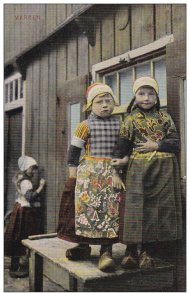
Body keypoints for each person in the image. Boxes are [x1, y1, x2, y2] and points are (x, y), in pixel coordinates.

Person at [111, 76, 182, 269]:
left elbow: (175, 143)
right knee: (135, 208)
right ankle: (131, 251)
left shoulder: (165, 117)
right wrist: (118, 165)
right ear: (135, 96)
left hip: (164, 170)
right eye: (141, 93)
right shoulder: (130, 119)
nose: (146, 98)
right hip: (138, 170)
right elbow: (123, 145)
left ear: (157, 97)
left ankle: (147, 253)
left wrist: (156, 144)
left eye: (151, 93)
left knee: (156, 211)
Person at [58, 83, 123, 272]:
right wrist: (73, 178)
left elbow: (124, 148)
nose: (104, 105)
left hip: (112, 173)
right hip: (88, 175)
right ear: (90, 105)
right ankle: (83, 246)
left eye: (108, 101)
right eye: (99, 101)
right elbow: (73, 153)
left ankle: (106, 251)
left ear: (114, 103)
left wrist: (120, 167)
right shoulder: (84, 126)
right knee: (85, 210)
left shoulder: (120, 124)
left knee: (110, 211)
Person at [4, 156, 46, 278]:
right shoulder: (26, 182)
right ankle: (18, 268)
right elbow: (30, 197)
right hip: (24, 211)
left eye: (34, 169)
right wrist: (41, 186)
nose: (33, 171)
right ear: (26, 168)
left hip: (20, 208)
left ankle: (15, 267)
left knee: (17, 237)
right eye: (32, 169)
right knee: (22, 237)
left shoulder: (20, 178)